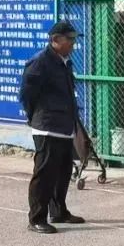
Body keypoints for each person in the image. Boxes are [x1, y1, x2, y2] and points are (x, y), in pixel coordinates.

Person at [18, 21, 85, 234]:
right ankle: (37, 218)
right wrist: (35, 116)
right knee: (45, 174)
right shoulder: (40, 62)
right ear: (55, 40)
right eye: (69, 39)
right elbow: (26, 95)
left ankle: (59, 211)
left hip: (64, 126)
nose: (73, 43)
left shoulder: (65, 62)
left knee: (63, 171)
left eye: (74, 39)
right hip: (47, 127)